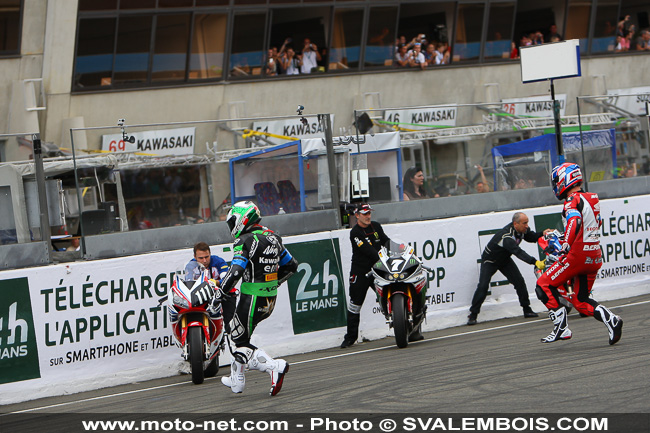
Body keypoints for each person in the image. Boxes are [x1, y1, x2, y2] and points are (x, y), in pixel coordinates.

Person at [212, 201, 298, 396]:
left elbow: (235, 271)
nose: (231, 226)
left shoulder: (244, 240)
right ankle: (237, 380)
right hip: (269, 299)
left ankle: (274, 366)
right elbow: (292, 266)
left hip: (251, 297)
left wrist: (221, 293)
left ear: (243, 219)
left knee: (237, 340)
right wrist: (274, 283)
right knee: (242, 335)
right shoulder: (273, 237)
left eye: (232, 221)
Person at [535, 163, 623, 344]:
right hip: (594, 255)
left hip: (577, 255)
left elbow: (574, 221)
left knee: (542, 284)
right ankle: (611, 319)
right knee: (580, 300)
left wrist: (565, 244)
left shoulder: (572, 200)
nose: (555, 185)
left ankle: (562, 328)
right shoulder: (591, 197)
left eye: (556, 181)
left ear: (565, 179)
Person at [341, 203, 423, 347]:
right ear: (357, 215)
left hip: (378, 268)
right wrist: (383, 260)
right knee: (355, 304)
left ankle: (408, 327)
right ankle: (350, 338)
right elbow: (368, 251)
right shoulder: (355, 232)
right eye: (365, 214)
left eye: (369, 213)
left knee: (388, 296)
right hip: (361, 272)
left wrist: (402, 249)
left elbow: (386, 241)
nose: (368, 216)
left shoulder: (376, 226)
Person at [467, 212, 549, 325]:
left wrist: (542, 234)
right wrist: (534, 262)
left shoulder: (522, 230)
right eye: (524, 223)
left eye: (527, 223)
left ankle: (527, 309)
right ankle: (473, 314)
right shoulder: (506, 236)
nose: (527, 226)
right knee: (483, 286)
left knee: (519, 281)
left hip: (504, 259)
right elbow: (518, 252)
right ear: (515, 224)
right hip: (490, 260)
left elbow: (531, 237)